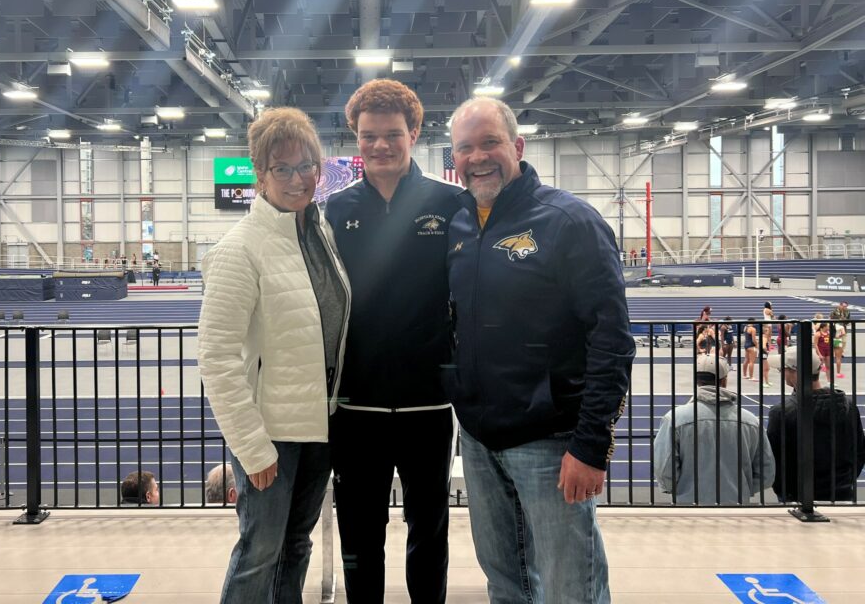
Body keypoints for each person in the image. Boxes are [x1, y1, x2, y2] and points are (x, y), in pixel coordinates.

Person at [446, 97, 635, 604]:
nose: (478, 157)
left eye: (490, 142)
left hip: (552, 445)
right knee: (506, 583)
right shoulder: (461, 226)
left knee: (570, 589)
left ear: (518, 146)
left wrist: (591, 444)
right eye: (466, 147)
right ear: (453, 157)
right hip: (481, 443)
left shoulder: (569, 221)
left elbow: (612, 339)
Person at [197, 107, 351, 603]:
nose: (296, 178)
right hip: (272, 436)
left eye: (305, 165)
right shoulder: (240, 249)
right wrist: (252, 445)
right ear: (260, 175)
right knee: (258, 553)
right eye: (281, 168)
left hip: (318, 426)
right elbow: (217, 357)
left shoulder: (320, 235)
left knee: (295, 547)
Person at [325, 79, 461, 603]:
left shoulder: (451, 203)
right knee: (361, 536)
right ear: (355, 137)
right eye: (368, 136)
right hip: (355, 407)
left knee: (429, 532)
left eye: (391, 134)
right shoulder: (335, 210)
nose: (380, 145)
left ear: (415, 133)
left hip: (429, 402)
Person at [653, 354, 774, 504]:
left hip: (688, 506)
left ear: (697, 380)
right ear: (724, 380)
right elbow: (766, 472)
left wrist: (683, 490)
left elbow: (664, 469)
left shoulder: (675, 419)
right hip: (737, 506)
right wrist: (742, 489)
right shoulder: (750, 421)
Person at [766, 351, 865, 502]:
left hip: (797, 497)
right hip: (841, 493)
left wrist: (785, 492)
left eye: (783, 369)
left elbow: (775, 461)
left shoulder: (782, 413)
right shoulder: (848, 406)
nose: (781, 373)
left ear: (795, 372)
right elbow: (859, 452)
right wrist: (845, 482)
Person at [742, 319, 759, 383]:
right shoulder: (753, 329)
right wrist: (757, 345)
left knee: (746, 359)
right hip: (751, 346)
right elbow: (753, 339)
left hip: (746, 345)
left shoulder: (745, 327)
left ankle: (744, 375)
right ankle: (751, 377)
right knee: (752, 361)